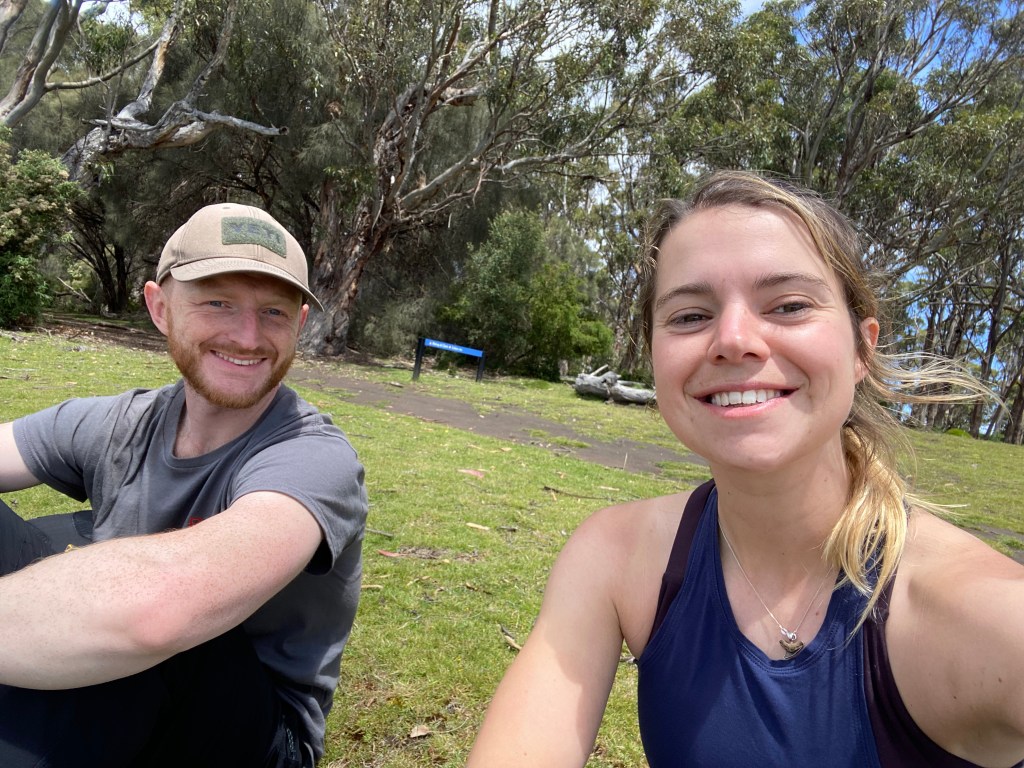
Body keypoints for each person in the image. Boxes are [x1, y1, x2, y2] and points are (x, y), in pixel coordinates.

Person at [466, 170, 1024, 768]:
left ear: (862, 349)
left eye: (788, 305)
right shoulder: (616, 557)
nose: (733, 340)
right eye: (688, 316)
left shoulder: (976, 612)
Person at [0, 203, 368, 767]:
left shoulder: (315, 459)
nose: (248, 337)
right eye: (218, 302)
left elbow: (158, 613)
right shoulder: (122, 422)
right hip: (128, 677)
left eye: (273, 312)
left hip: (250, 731)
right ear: (160, 307)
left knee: (168, 623)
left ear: (297, 326)